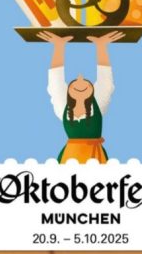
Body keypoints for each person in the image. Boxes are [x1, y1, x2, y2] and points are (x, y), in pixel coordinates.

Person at [42, 30, 122, 163]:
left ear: (93, 90)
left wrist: (101, 46)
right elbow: (55, 83)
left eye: (85, 82)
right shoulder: (64, 108)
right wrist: (59, 46)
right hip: (70, 157)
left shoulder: (97, 106)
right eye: (75, 83)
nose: (80, 78)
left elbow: (106, 83)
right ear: (67, 91)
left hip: (94, 157)